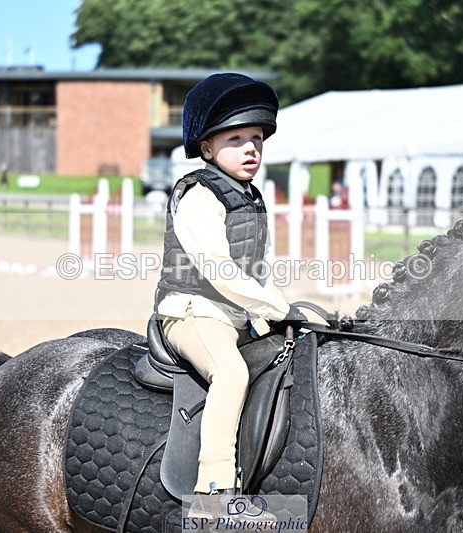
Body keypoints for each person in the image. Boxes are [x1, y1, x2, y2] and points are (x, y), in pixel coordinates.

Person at [154, 73, 306, 517]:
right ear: (206, 148)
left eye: (257, 138)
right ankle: (214, 493)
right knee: (232, 373)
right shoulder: (199, 194)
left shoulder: (252, 198)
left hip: (233, 318)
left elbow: (258, 273)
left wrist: (280, 313)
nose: (251, 148)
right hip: (191, 313)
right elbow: (220, 270)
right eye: (236, 138)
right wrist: (277, 309)